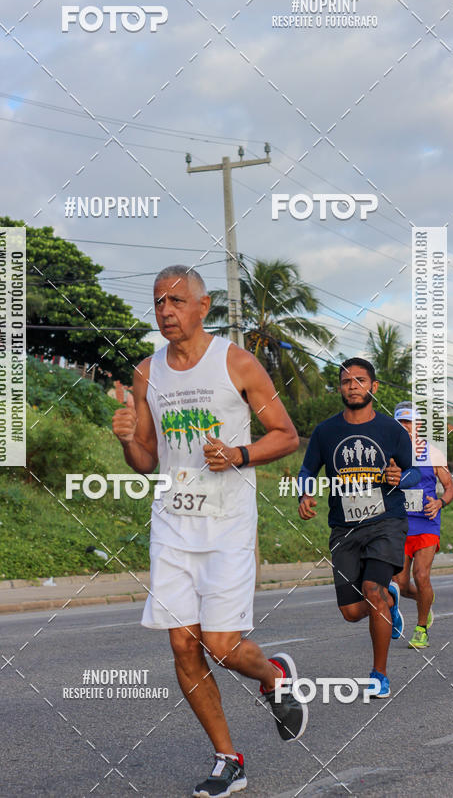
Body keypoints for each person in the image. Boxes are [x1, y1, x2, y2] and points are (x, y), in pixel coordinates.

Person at [113, 265, 306, 798]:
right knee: (183, 647)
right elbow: (147, 460)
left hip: (226, 524)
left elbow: (286, 436)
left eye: (177, 300)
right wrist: (128, 438)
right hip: (173, 524)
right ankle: (228, 758)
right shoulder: (147, 373)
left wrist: (240, 454)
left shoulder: (236, 362)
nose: (166, 311)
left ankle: (273, 678)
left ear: (203, 307)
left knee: (221, 646)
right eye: (158, 302)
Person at [297, 358, 421, 698]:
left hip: (386, 521)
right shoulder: (325, 432)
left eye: (360, 380)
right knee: (352, 612)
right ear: (340, 387)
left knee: (372, 588)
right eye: (347, 381)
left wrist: (400, 476)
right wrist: (303, 493)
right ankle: (388, 601)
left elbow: (413, 474)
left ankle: (379, 675)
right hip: (344, 527)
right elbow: (307, 470)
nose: (353, 386)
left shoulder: (392, 431)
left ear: (373, 387)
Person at [391, 401, 453, 648]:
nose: (405, 427)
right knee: (400, 583)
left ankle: (421, 630)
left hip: (427, 523)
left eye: (409, 422)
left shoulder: (433, 453)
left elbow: (450, 487)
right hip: (400, 524)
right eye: (401, 423)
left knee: (421, 575)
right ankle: (424, 602)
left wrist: (440, 503)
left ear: (418, 426)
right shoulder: (390, 454)